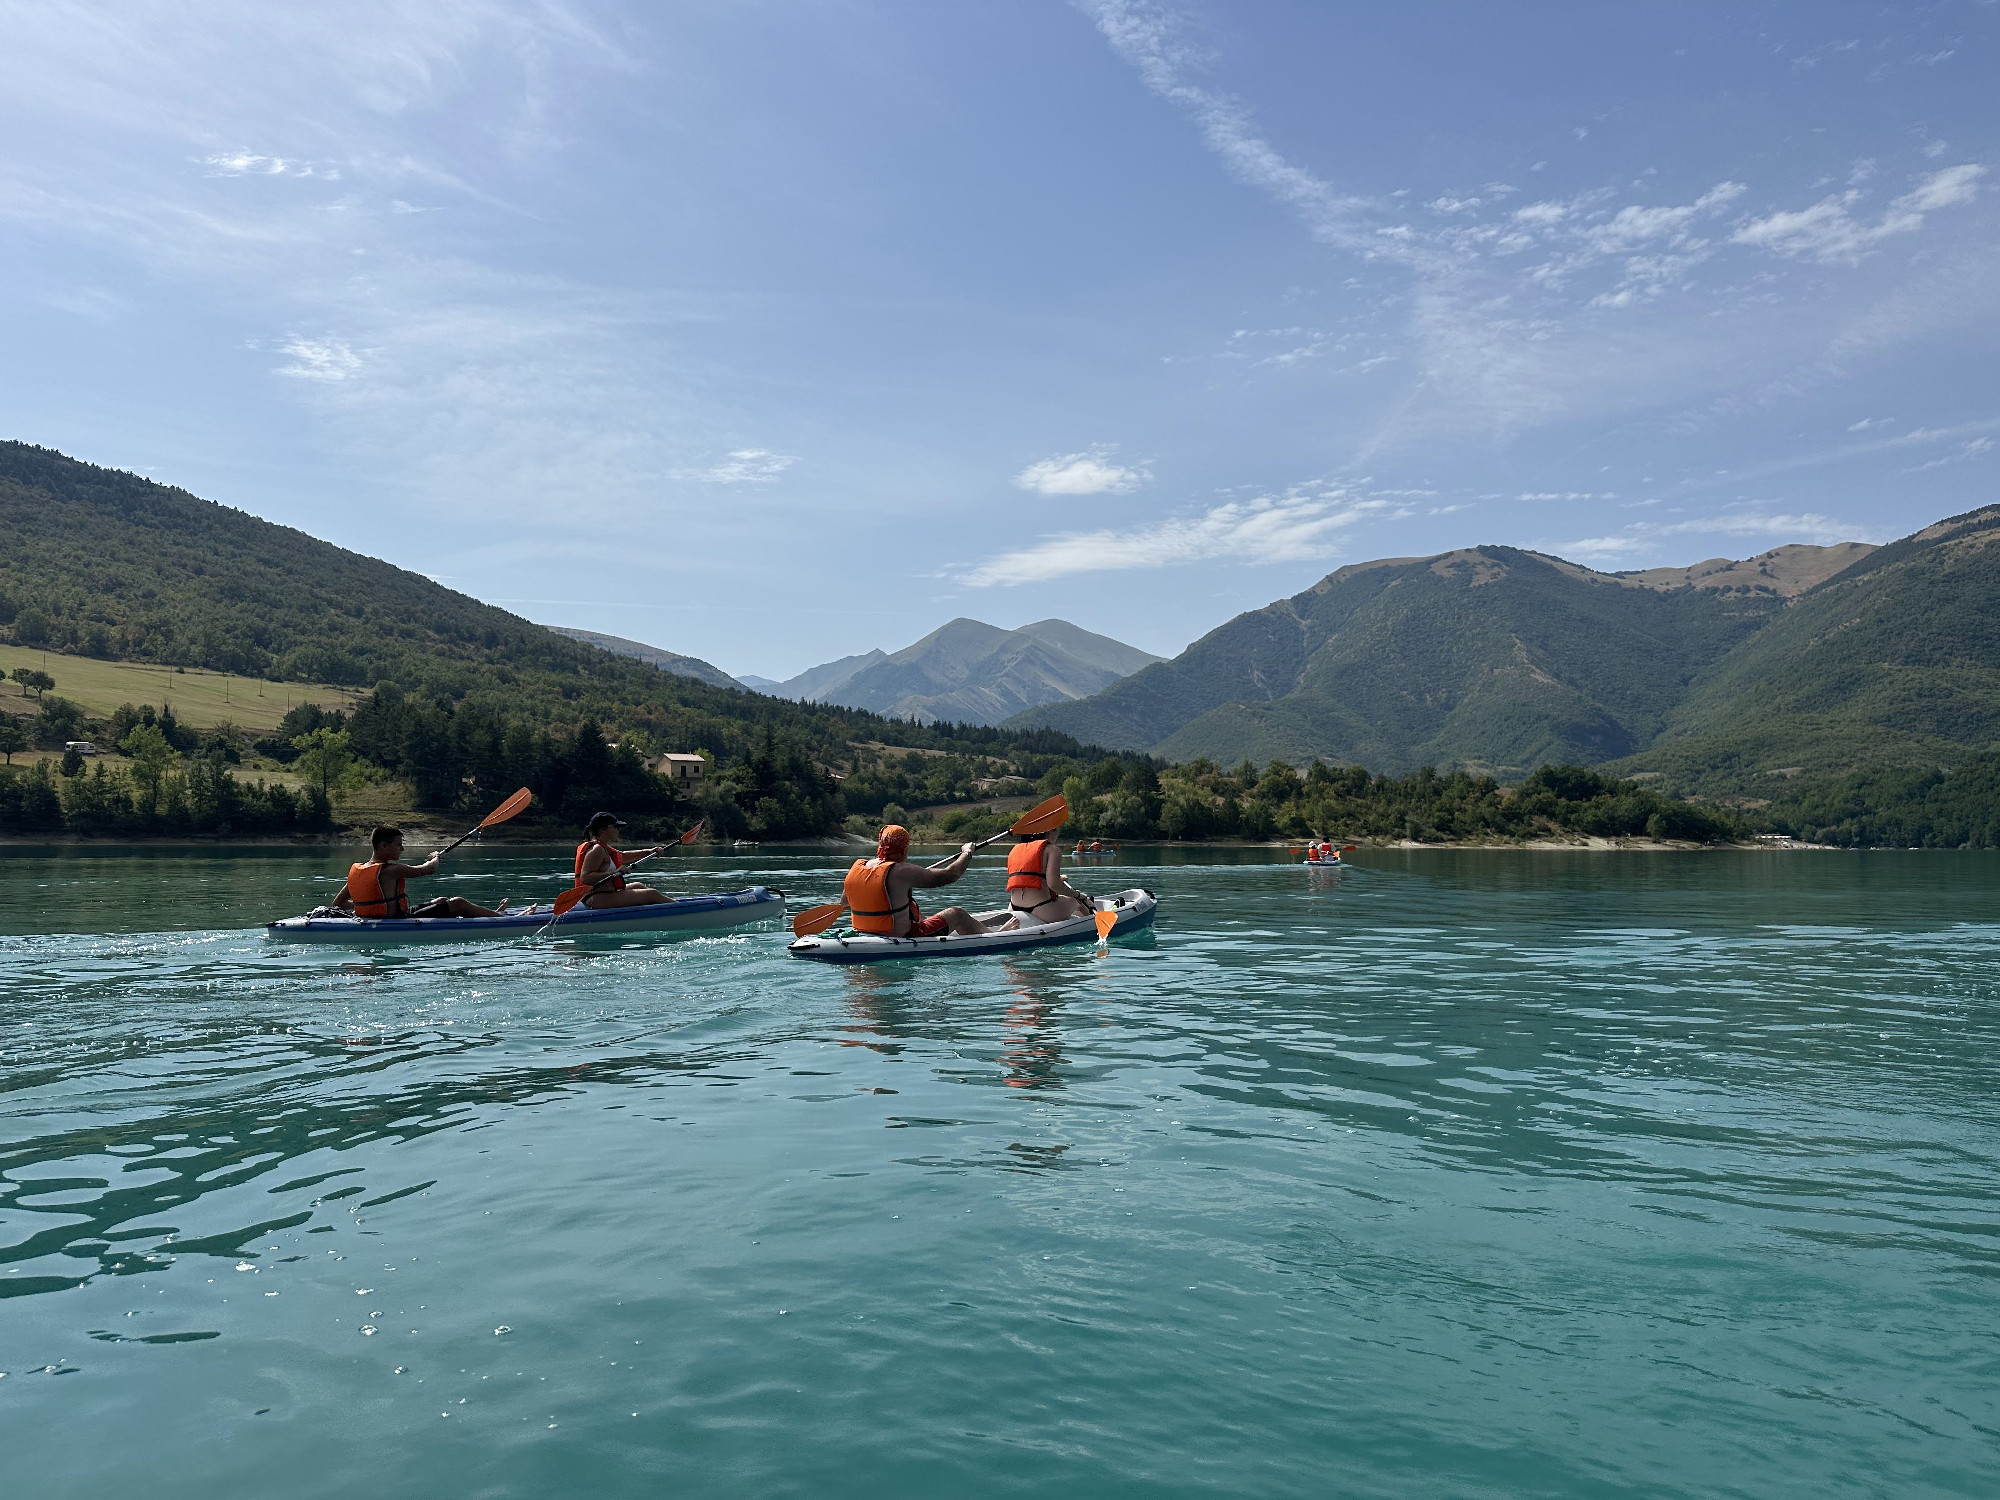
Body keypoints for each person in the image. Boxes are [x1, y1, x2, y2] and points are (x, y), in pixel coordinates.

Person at [334, 824, 509, 919]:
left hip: (384, 918)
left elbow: (338, 903)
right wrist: (436, 856)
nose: (402, 849)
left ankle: (485, 915)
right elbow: (428, 869)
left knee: (442, 901)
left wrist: (364, 906)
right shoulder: (392, 870)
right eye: (398, 845)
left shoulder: (360, 870)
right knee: (458, 903)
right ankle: (499, 917)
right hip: (397, 921)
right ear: (383, 846)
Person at [843, 824, 985, 938]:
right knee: (957, 914)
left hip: (864, 932)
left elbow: (843, 903)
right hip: (903, 936)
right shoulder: (902, 871)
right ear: (905, 849)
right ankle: (997, 936)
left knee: (913, 910)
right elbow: (951, 874)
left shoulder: (857, 867)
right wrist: (967, 853)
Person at [575, 813, 672, 908]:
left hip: (603, 894)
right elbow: (585, 878)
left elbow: (623, 856)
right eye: (615, 827)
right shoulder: (597, 850)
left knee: (639, 885)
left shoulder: (604, 848)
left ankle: (663, 908)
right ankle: (679, 909)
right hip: (593, 898)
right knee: (652, 894)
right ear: (602, 829)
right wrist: (615, 872)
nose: (618, 830)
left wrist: (649, 851)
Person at [1003, 826, 1092, 927]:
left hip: (1014, 908)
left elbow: (1030, 877)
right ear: (1050, 831)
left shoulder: (1015, 849)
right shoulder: (1052, 849)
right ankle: (1094, 927)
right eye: (1058, 830)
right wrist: (1078, 895)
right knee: (1079, 901)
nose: (1058, 835)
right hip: (1041, 909)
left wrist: (1060, 878)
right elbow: (1054, 885)